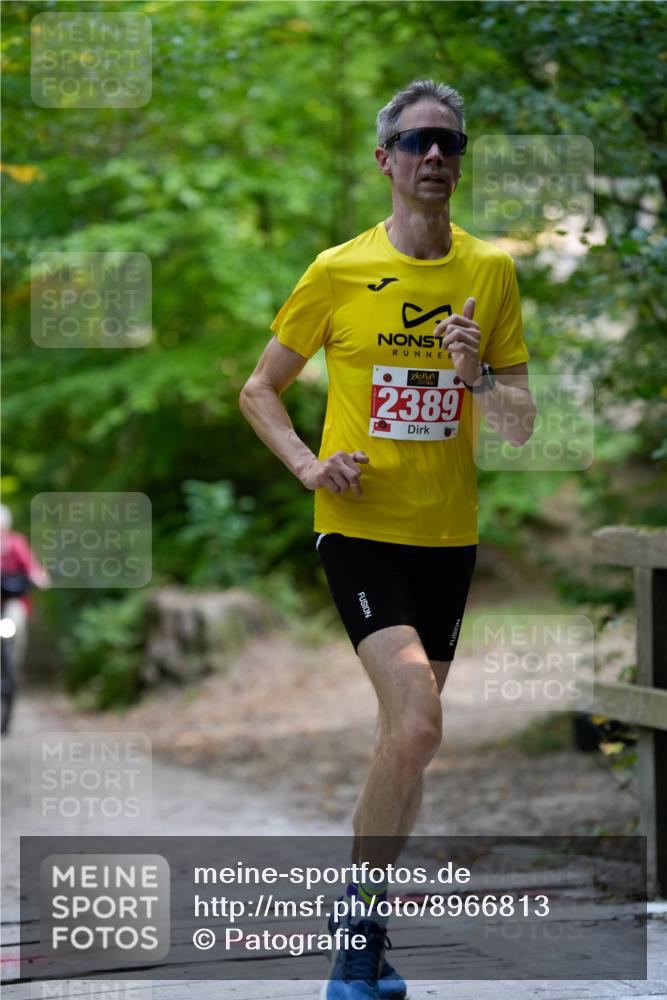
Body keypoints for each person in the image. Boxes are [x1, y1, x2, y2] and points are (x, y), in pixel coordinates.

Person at [240, 79, 536, 1000]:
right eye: (416, 143)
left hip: (446, 537)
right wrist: (306, 465)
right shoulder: (335, 271)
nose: (435, 156)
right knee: (416, 722)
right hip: (358, 528)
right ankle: (359, 935)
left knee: (404, 743)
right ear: (386, 161)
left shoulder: (489, 272)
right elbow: (259, 390)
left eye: (449, 142)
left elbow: (521, 423)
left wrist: (476, 373)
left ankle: (366, 928)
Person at [0, 503, 51, 677]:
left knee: (15, 625)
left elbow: (31, 566)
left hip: (13, 600)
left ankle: (13, 667)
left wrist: (39, 577)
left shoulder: (16, 543)